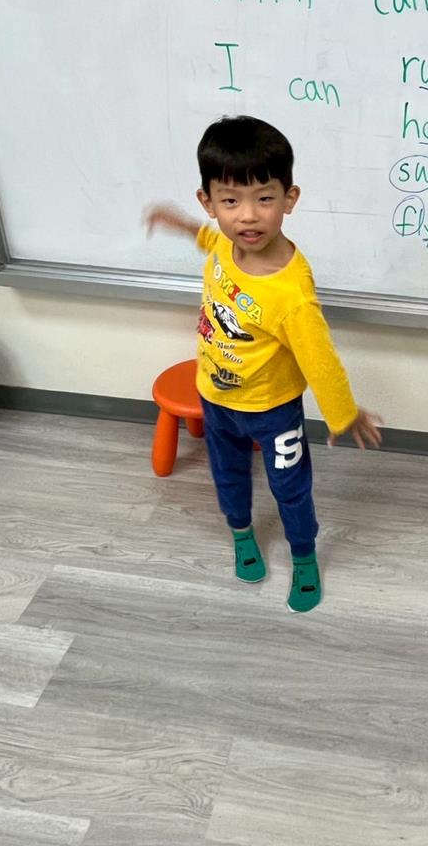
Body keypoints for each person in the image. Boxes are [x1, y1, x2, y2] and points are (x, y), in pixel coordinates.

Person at [146, 116, 381, 613]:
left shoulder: (291, 293)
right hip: (215, 396)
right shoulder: (225, 244)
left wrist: (344, 414)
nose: (248, 217)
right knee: (228, 477)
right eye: (231, 201)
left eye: (264, 199)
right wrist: (178, 223)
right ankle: (241, 534)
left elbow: (320, 358)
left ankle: (303, 556)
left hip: (273, 409)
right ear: (208, 202)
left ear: (289, 199)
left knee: (290, 489)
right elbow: (208, 239)